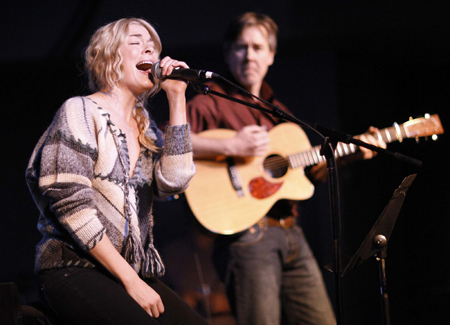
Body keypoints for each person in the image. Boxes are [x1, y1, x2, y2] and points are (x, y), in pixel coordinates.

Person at [186, 12, 386, 325]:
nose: (249, 55)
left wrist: (349, 156)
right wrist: (231, 146)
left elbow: (306, 175)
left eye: (257, 47)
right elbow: (168, 143)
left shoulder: (279, 114)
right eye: (241, 47)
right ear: (227, 52)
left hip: (292, 233)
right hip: (247, 237)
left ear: (271, 56)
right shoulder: (210, 102)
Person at [25, 18, 208, 325]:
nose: (150, 48)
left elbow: (174, 182)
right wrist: (131, 282)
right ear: (109, 55)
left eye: (153, 45)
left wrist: (177, 98)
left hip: (131, 270)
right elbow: (72, 205)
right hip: (74, 267)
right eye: (137, 42)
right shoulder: (80, 111)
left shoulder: (146, 129)